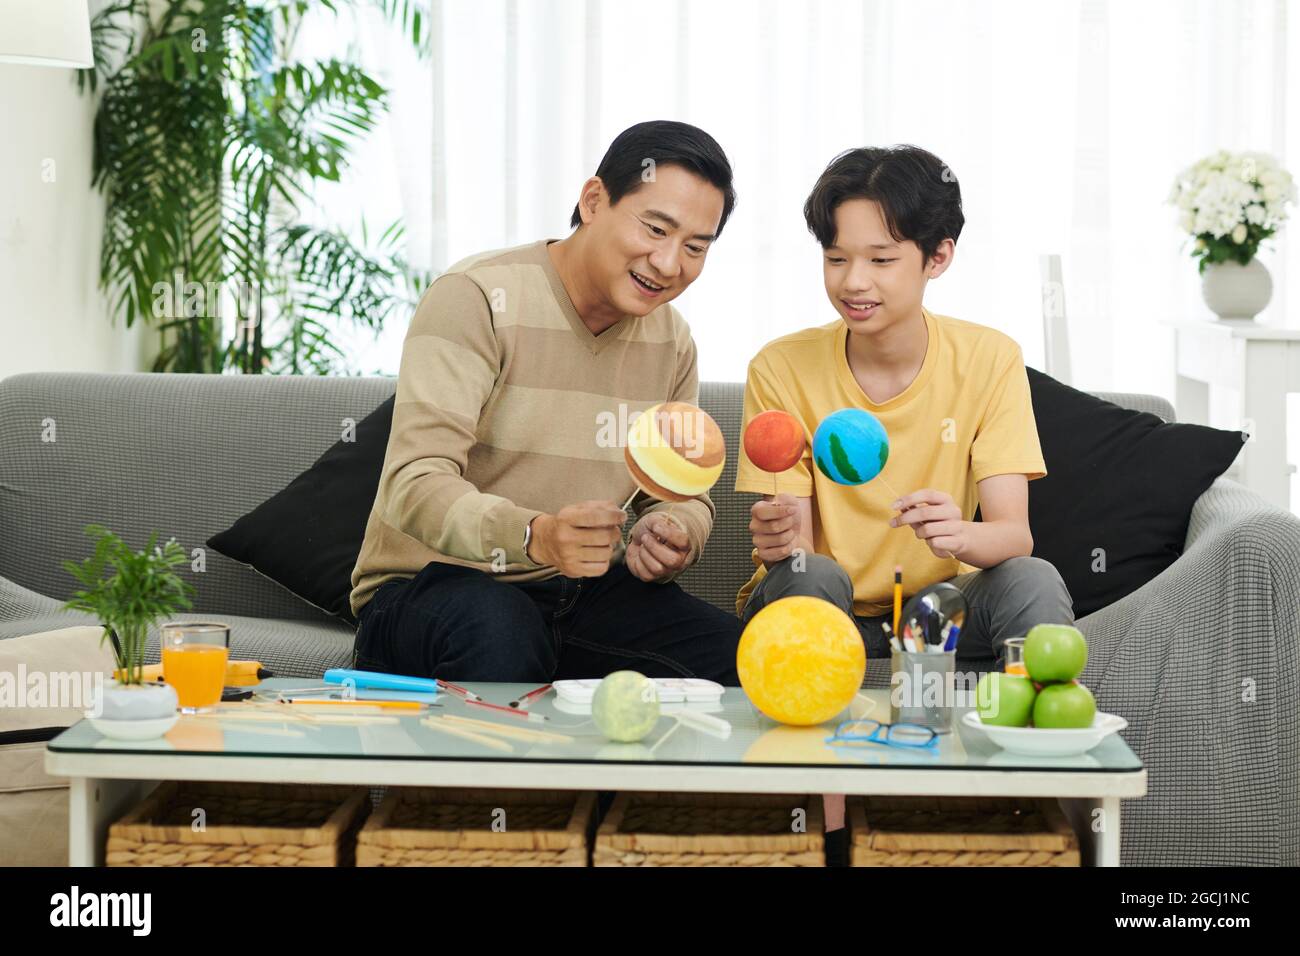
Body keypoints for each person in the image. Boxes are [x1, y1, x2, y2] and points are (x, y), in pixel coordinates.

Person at [733, 145, 1075, 847]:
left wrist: (959, 534)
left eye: (881, 259)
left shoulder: (988, 358)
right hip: (824, 611)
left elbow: (1014, 535)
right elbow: (792, 548)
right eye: (835, 258)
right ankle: (829, 838)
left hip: (935, 613)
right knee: (810, 570)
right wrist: (777, 539)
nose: (853, 281)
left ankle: (1041, 824)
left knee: (1032, 581)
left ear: (938, 256)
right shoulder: (781, 366)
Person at [348, 120, 744, 686]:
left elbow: (679, 493)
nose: (668, 263)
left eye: (695, 247)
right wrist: (537, 535)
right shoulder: (477, 297)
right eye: (655, 229)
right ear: (593, 201)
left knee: (746, 661)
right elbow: (415, 479)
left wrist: (675, 531)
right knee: (501, 634)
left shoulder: (671, 340)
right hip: (431, 587)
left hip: (582, 595)